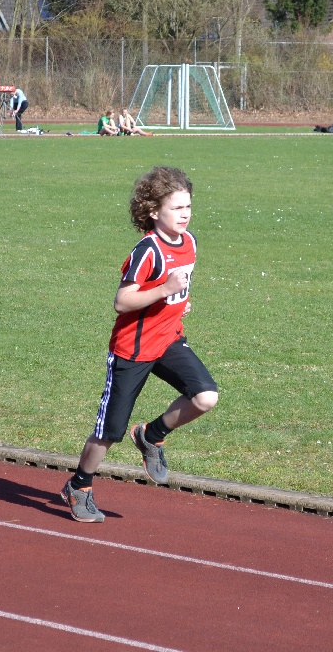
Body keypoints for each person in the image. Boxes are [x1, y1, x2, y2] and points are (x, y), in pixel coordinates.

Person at [60, 166, 219, 523]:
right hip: (132, 349)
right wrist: (164, 290)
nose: (185, 214)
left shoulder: (190, 242)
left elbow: (176, 288)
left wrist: (178, 301)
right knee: (110, 432)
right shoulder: (148, 250)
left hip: (169, 339)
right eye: (177, 208)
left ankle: (151, 434)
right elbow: (123, 301)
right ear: (154, 212)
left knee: (206, 396)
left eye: (188, 206)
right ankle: (79, 486)